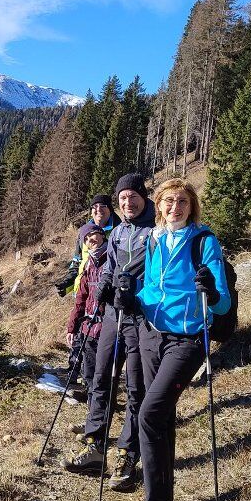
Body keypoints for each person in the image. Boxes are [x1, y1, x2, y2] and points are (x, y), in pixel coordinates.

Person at [123, 177, 230, 501]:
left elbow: (222, 304)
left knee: (150, 414)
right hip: (153, 333)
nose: (174, 207)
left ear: (192, 205)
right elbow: (150, 289)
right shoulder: (154, 240)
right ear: (159, 205)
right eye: (168, 201)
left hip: (187, 338)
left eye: (182, 201)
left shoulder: (204, 241)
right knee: (161, 418)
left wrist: (212, 291)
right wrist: (129, 298)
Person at [68, 173, 156, 483]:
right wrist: (105, 286)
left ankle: (127, 451)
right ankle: (95, 445)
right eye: (122, 199)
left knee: (135, 386)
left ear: (143, 198)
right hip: (111, 315)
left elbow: (159, 275)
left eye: (133, 197)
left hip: (141, 318)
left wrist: (134, 290)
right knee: (102, 377)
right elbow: (112, 268)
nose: (128, 202)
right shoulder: (117, 233)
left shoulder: (156, 231)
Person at [59, 223, 107, 470]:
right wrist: (71, 327)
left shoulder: (112, 259)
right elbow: (80, 299)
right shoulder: (88, 264)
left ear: (103, 236)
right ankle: (93, 424)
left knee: (101, 382)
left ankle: (98, 436)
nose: (91, 240)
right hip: (88, 329)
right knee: (89, 379)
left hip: (108, 330)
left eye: (95, 235)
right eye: (87, 238)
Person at [53, 195, 116, 298]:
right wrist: (67, 284)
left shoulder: (119, 232)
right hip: (84, 295)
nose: (98, 209)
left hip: (108, 296)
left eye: (103, 206)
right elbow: (77, 263)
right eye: (94, 207)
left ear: (110, 209)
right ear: (91, 212)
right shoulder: (83, 234)